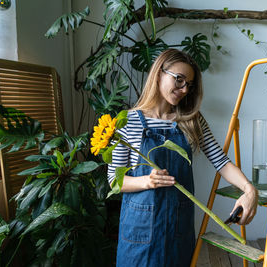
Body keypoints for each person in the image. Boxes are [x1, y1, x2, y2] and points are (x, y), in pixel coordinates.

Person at [108, 48, 258, 267]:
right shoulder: (126, 122)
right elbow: (114, 180)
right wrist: (146, 181)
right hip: (139, 233)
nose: (184, 89)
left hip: (179, 229)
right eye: (179, 79)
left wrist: (249, 189)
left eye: (189, 84)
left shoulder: (191, 121)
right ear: (159, 72)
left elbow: (221, 162)